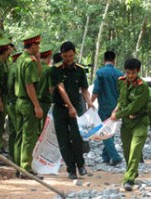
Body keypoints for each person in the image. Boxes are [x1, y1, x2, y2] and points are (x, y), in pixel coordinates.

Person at [51, 41, 94, 180]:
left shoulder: (80, 70)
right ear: (61, 55)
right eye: (65, 56)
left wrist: (89, 103)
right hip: (60, 109)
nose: (67, 59)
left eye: (70, 56)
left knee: (77, 138)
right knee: (63, 140)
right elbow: (61, 89)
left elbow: (84, 90)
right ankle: (71, 169)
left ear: (74, 53)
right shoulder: (56, 69)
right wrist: (69, 107)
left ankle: (80, 165)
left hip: (76, 108)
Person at [110, 58, 150, 191]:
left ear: (138, 71)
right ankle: (132, 171)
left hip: (140, 122)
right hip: (127, 123)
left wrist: (118, 115)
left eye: (133, 73)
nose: (130, 76)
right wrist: (117, 107)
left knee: (134, 151)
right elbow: (121, 99)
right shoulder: (121, 82)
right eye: (128, 73)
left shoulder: (143, 87)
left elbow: (133, 107)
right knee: (127, 151)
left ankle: (129, 179)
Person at [14, 32, 44, 178]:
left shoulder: (20, 59)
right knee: (29, 136)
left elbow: (38, 74)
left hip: (19, 102)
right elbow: (30, 85)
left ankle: (17, 166)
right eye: (37, 44)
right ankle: (26, 168)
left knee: (19, 135)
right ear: (32, 45)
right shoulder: (29, 62)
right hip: (27, 102)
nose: (39, 47)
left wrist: (38, 60)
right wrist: (37, 106)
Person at [91, 50, 124, 166]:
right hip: (116, 106)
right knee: (111, 130)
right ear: (114, 60)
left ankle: (115, 157)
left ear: (104, 60)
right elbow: (123, 92)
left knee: (104, 131)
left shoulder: (100, 73)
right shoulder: (120, 74)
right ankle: (106, 156)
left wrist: (90, 104)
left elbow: (96, 91)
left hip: (104, 106)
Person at [6, 51, 22, 163]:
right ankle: (18, 159)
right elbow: (11, 85)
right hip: (14, 102)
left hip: (10, 102)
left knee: (13, 131)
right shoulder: (16, 68)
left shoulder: (12, 67)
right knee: (18, 131)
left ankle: (12, 155)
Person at [37, 45, 54, 130]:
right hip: (45, 104)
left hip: (34, 103)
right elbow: (51, 89)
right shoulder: (49, 70)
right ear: (49, 56)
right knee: (44, 129)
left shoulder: (35, 68)